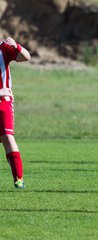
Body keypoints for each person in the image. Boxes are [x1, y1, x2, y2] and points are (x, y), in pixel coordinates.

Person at [0, 37, 31, 188]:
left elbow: (26, 57)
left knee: (7, 137)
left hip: (3, 102)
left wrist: (17, 46)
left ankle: (18, 180)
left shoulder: (3, 48)